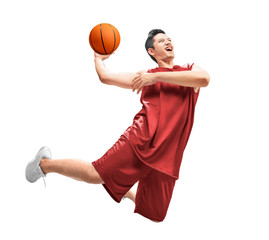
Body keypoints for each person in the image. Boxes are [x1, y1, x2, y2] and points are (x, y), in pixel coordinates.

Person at [25, 29, 210, 222]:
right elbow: (105, 77)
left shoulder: (188, 71)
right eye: (161, 41)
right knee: (95, 174)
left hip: (168, 155)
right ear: (151, 52)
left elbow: (204, 79)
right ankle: (44, 164)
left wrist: (156, 77)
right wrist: (98, 58)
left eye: (169, 39)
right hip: (139, 141)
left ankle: (125, 188)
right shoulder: (144, 76)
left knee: (155, 215)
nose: (167, 42)